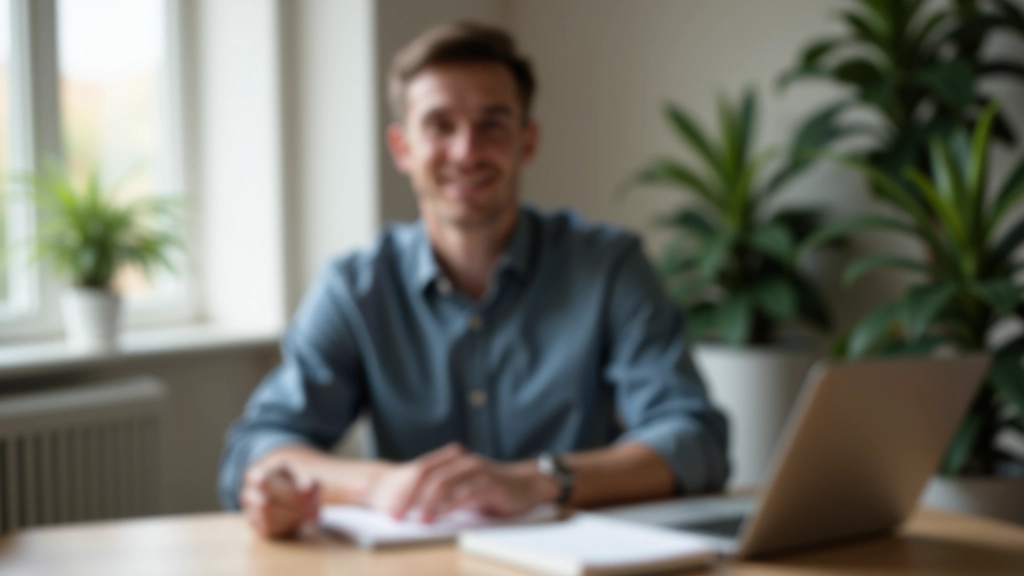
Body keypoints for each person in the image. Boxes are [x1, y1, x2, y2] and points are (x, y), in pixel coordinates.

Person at [219, 21, 729, 539]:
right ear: (402, 148)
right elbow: (258, 448)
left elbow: (694, 440)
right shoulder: (356, 287)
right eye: (440, 125)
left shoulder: (610, 267)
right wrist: (375, 485)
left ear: (526, 142)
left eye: (492, 125)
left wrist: (539, 480)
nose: (466, 151)